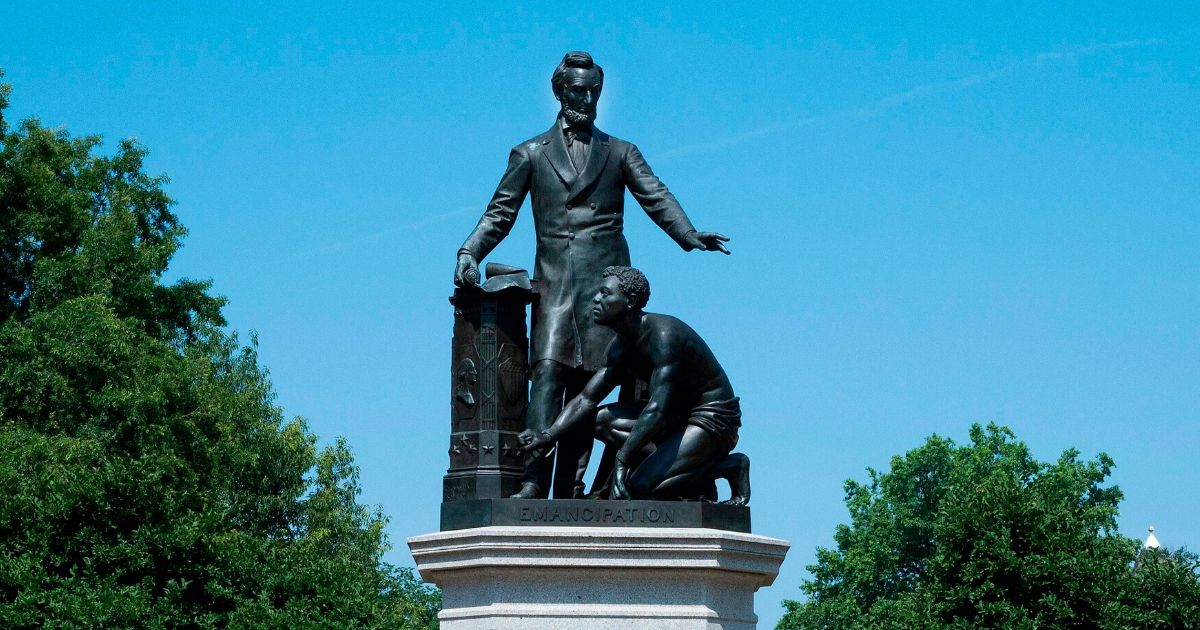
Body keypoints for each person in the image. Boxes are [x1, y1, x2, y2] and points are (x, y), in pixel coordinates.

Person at [454, 51, 730, 499]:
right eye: (578, 90)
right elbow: (500, 212)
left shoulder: (620, 151)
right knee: (546, 376)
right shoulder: (530, 153)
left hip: (607, 291)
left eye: (594, 91)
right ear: (560, 92)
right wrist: (469, 251)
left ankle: (570, 488)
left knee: (589, 388)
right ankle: (533, 481)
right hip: (556, 288)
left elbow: (655, 194)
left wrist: (688, 233)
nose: (587, 99)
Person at [519, 266, 750, 505]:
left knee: (640, 488)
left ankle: (729, 466)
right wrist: (547, 435)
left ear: (629, 301)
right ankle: (673, 467)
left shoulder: (664, 335)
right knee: (599, 420)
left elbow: (657, 409)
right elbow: (585, 400)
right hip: (674, 418)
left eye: (605, 293)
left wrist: (622, 461)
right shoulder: (620, 346)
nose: (596, 299)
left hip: (711, 419)